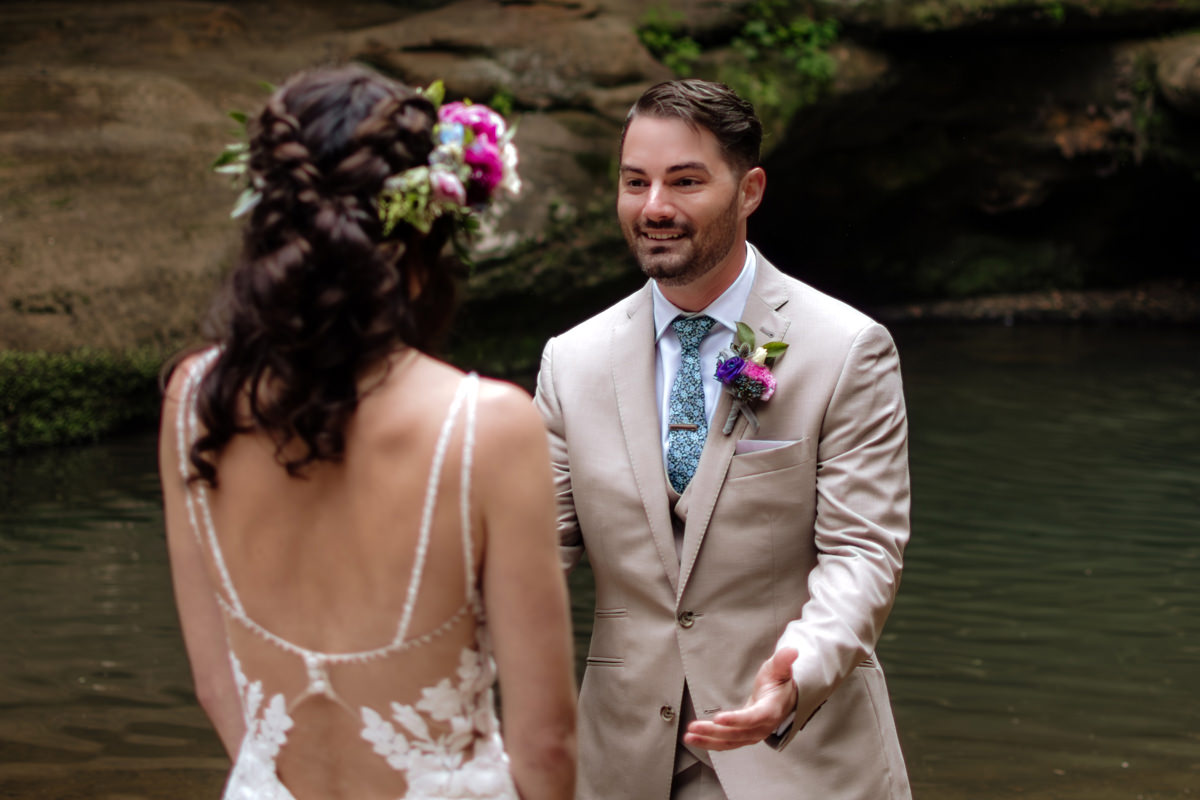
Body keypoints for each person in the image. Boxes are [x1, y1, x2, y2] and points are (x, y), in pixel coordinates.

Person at [159, 65, 576, 800]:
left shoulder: (194, 398)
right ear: (425, 236)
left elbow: (213, 680)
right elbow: (545, 744)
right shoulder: (488, 425)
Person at [534, 79, 911, 800]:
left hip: (801, 757)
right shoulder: (570, 362)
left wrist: (796, 677)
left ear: (750, 189)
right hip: (620, 764)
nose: (655, 208)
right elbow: (534, 556)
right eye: (635, 182)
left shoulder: (846, 348)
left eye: (685, 182)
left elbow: (863, 552)